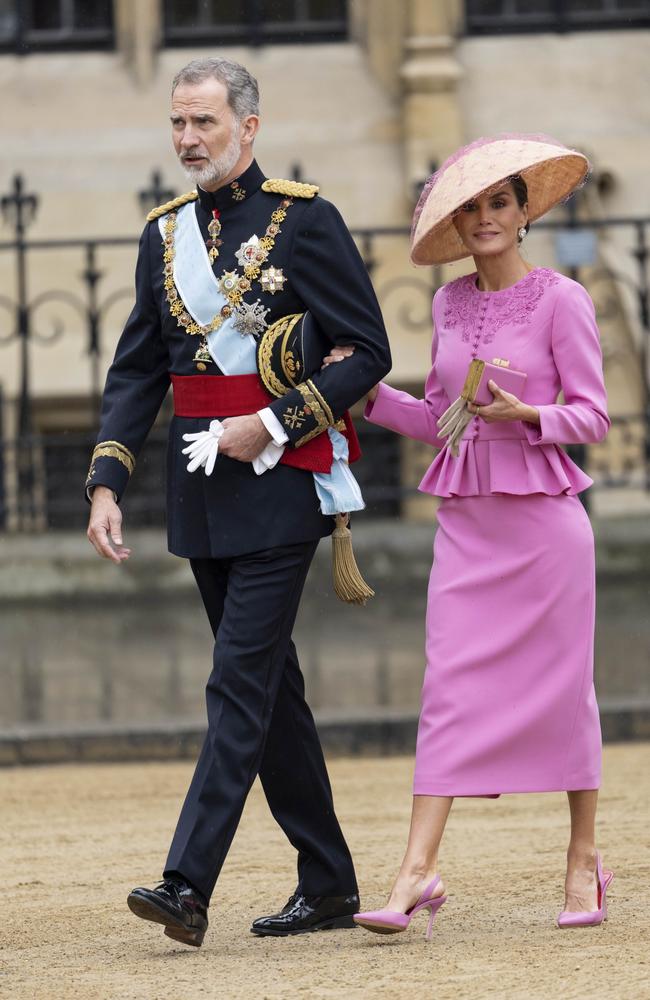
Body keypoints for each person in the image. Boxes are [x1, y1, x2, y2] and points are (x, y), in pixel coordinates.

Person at [85, 57, 391, 947]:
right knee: (269, 692)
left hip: (281, 486)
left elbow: (366, 348)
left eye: (204, 124)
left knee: (235, 684)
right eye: (177, 125)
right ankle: (329, 881)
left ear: (248, 128)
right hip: (201, 493)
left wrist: (281, 422)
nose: (188, 141)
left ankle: (187, 883)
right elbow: (139, 368)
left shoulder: (308, 221)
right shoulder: (164, 234)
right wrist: (107, 477)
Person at [329, 134, 613, 936]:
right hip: (467, 527)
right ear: (458, 222)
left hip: (547, 529)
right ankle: (416, 872)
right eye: (473, 206)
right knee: (447, 689)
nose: (486, 217)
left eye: (500, 202)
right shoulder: (449, 304)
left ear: (525, 213)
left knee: (566, 694)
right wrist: (366, 392)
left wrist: (530, 415)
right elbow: (441, 421)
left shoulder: (564, 299)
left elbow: (594, 415)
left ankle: (583, 861)